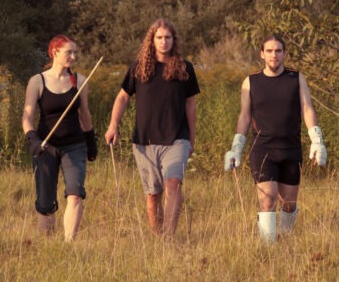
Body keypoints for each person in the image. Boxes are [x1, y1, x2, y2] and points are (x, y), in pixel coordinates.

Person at [223, 35, 327, 243]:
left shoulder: (296, 78)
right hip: (262, 149)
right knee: (268, 199)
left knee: (288, 203)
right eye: (269, 51)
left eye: (278, 51)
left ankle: (287, 241)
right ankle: (269, 248)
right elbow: (244, 116)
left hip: (290, 148)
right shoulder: (251, 81)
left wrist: (317, 140)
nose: (274, 55)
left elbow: (307, 108)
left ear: (284, 54)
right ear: (262, 54)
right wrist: (236, 148)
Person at [104, 19, 199, 236]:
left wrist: (191, 138)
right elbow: (122, 98)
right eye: (159, 37)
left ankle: (168, 238)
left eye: (168, 37)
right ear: (152, 40)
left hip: (177, 138)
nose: (164, 42)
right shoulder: (138, 68)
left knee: (173, 184)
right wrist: (113, 126)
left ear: (174, 40)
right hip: (145, 140)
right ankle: (158, 237)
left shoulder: (185, 68)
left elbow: (190, 104)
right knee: (153, 194)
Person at [21, 35, 97, 241]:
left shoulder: (79, 81)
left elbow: (85, 115)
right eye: (68, 52)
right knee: (46, 203)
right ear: (55, 52)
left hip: (75, 146)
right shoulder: (38, 81)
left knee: (75, 194)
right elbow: (27, 117)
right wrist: (33, 140)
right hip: (46, 147)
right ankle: (47, 247)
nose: (73, 56)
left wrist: (91, 140)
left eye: (75, 52)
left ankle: (68, 244)